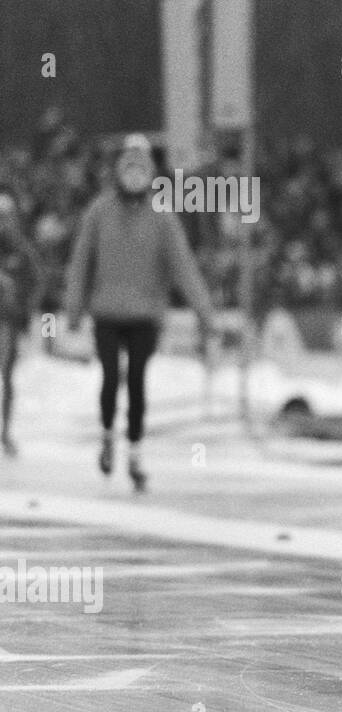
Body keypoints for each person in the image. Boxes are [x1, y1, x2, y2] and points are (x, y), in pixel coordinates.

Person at [63, 134, 214, 492]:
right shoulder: (99, 212)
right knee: (111, 376)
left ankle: (134, 450)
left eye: (140, 170)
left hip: (145, 315)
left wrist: (204, 311)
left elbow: (183, 267)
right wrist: (72, 309)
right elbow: (81, 262)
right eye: (128, 170)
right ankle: (106, 435)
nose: (134, 177)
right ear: (119, 173)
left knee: (137, 383)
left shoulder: (162, 217)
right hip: (107, 313)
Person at [0, 185, 45, 457]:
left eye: (6, 217)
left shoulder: (22, 250)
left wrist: (25, 312)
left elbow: (38, 280)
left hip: (7, 322)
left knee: (7, 378)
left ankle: (5, 432)